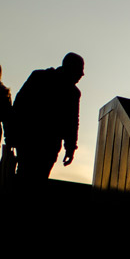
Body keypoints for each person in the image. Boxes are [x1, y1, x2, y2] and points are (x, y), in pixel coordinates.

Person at [10, 52, 84, 181]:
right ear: (72, 68)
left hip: (27, 138)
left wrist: (13, 133)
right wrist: (70, 148)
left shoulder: (38, 76)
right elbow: (71, 123)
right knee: (38, 180)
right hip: (48, 144)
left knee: (23, 176)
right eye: (80, 69)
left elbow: (18, 105)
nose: (82, 74)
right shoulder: (72, 92)